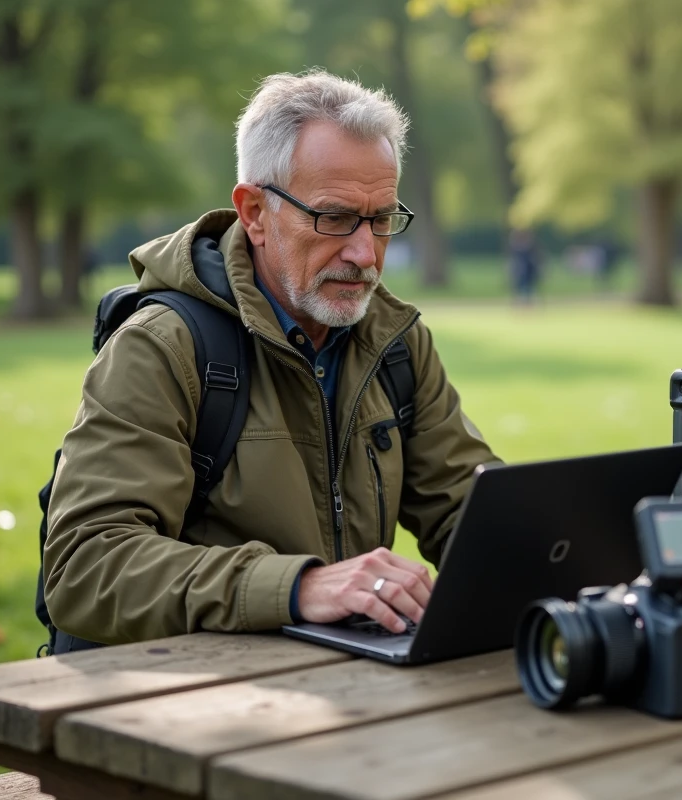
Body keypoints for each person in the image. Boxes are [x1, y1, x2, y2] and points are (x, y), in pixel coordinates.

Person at [42, 69, 499, 649]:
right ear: (255, 212)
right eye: (334, 218)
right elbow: (85, 566)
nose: (365, 253)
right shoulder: (163, 346)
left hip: (339, 680)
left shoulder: (394, 342)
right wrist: (300, 588)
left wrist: (558, 550)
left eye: (382, 219)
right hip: (176, 690)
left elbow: (471, 514)